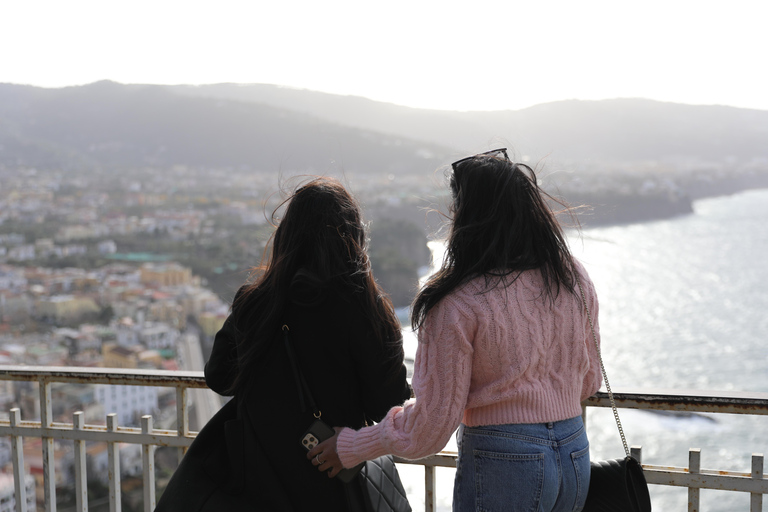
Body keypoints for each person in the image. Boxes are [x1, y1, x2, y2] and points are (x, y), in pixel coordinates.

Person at [308, 149, 603, 512]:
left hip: (506, 461)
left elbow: (430, 429)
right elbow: (589, 381)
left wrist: (351, 446)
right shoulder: (572, 276)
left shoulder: (457, 301)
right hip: (574, 451)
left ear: (469, 217)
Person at [158, 177, 411, 511]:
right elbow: (387, 403)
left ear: (288, 233)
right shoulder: (367, 309)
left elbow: (219, 377)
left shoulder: (257, 302)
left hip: (258, 481)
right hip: (330, 474)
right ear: (353, 237)